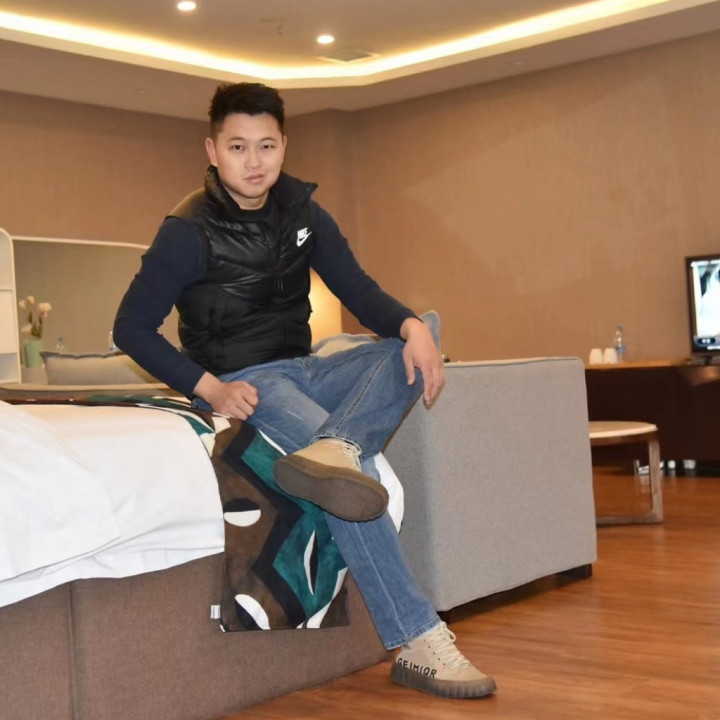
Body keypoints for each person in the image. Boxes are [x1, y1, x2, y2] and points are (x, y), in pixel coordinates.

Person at [114, 82, 496, 699]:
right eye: (238, 147)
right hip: (249, 379)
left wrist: (409, 329)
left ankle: (337, 443)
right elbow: (130, 327)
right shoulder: (187, 229)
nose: (254, 161)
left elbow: (359, 290)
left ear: (284, 146)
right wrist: (209, 387)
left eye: (266, 146)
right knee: (350, 476)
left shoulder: (302, 212)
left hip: (310, 365)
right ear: (212, 151)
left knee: (419, 329)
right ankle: (418, 640)